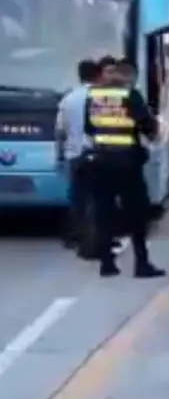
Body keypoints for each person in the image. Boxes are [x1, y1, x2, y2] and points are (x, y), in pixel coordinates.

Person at [82, 56, 164, 279]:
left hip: (100, 160)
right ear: (128, 75)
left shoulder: (94, 95)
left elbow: (89, 128)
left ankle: (107, 263)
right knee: (137, 213)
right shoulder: (130, 95)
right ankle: (142, 263)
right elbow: (148, 126)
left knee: (104, 213)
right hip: (127, 162)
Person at [55, 58, 97, 257]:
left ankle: (74, 236)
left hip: (75, 155)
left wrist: (59, 155)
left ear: (79, 75)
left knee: (76, 198)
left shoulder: (68, 99)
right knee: (97, 198)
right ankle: (94, 238)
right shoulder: (102, 98)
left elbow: (60, 131)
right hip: (97, 154)